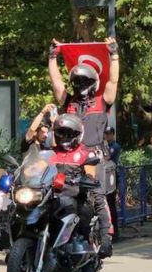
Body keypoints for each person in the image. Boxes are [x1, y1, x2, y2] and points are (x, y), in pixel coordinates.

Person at [47, 37, 119, 258]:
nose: (81, 86)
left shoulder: (102, 100)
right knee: (45, 192)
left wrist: (114, 55)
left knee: (96, 196)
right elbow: (57, 83)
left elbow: (113, 82)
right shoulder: (68, 101)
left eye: (85, 82)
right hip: (65, 155)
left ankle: (106, 237)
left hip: (92, 157)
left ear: (94, 83)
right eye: (77, 82)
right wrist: (52, 57)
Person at [105, 127, 121, 240]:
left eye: (109, 133)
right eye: (106, 133)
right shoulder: (104, 146)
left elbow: (106, 157)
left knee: (111, 205)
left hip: (111, 179)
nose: (107, 136)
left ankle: (115, 232)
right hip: (104, 178)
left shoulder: (114, 146)